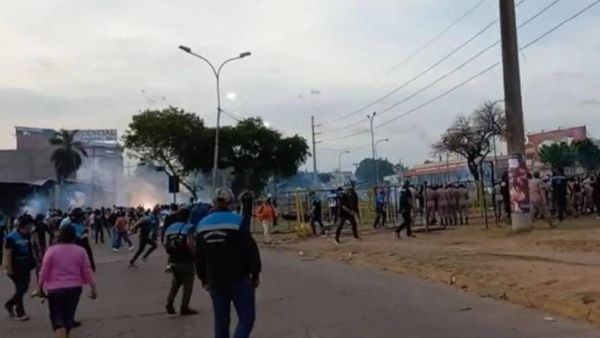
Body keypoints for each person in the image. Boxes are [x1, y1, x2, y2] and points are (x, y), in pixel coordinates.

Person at [195, 187, 261, 338]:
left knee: (221, 321)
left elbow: (199, 256)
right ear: (231, 202)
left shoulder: (202, 225)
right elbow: (251, 250)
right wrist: (255, 274)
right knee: (246, 319)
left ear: (214, 202)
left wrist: (203, 279)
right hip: (240, 279)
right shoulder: (238, 221)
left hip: (215, 280)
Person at [37, 225, 97, 338]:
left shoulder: (51, 251)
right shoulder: (80, 251)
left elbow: (44, 270)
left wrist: (40, 286)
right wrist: (93, 287)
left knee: (58, 320)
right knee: (68, 318)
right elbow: (87, 271)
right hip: (74, 289)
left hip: (54, 290)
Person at [164, 208, 198, 317]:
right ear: (188, 216)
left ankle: (169, 302)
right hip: (186, 259)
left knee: (176, 282)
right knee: (188, 284)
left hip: (173, 259)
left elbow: (165, 243)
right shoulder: (190, 228)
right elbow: (190, 243)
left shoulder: (170, 228)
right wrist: (195, 255)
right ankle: (184, 307)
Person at [3, 214, 36, 321]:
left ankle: (10, 304)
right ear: (22, 226)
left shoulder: (28, 236)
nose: (30, 228)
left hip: (26, 266)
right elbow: (7, 253)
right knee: (20, 288)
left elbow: (31, 250)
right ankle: (20, 312)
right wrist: (8, 268)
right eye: (28, 226)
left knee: (24, 288)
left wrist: (34, 262)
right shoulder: (11, 237)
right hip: (15, 266)